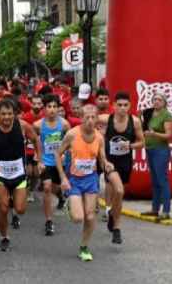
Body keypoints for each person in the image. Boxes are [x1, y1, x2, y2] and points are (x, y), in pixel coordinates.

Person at [56, 104, 114, 262]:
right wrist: (63, 178)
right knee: (78, 218)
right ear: (81, 118)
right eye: (86, 117)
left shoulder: (99, 137)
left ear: (97, 119)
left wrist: (107, 165)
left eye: (93, 117)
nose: (90, 120)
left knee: (90, 216)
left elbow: (102, 158)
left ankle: (84, 247)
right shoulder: (72, 134)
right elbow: (58, 154)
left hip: (91, 179)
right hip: (74, 180)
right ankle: (69, 204)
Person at [0, 99, 40, 251]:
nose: (6, 117)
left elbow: (36, 139)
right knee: (3, 208)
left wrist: (39, 158)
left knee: (20, 209)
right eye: (3, 114)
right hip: (1, 175)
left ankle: (13, 201)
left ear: (14, 113)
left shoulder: (22, 126)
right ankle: (4, 237)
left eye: (9, 114)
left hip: (19, 174)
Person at [98, 91, 144, 243]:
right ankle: (117, 229)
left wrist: (130, 145)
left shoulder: (135, 121)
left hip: (125, 162)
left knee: (119, 194)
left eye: (125, 105)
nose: (123, 108)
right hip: (110, 162)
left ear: (130, 106)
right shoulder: (106, 119)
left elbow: (141, 142)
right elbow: (87, 121)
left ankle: (112, 214)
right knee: (119, 190)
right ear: (114, 106)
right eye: (119, 105)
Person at [33, 94, 70, 236]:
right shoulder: (37, 125)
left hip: (60, 163)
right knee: (47, 187)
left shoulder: (65, 124)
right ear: (44, 109)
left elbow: (70, 142)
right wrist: (39, 161)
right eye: (49, 106)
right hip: (46, 162)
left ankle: (60, 195)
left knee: (55, 188)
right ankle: (49, 221)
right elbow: (36, 143)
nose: (52, 109)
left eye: (55, 106)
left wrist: (68, 156)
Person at [142, 91, 172, 220]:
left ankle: (166, 211)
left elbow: (169, 135)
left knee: (162, 180)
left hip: (161, 150)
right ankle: (155, 209)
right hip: (150, 149)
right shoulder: (150, 113)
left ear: (164, 102)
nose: (156, 101)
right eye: (154, 99)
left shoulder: (166, 115)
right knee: (154, 181)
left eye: (159, 100)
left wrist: (154, 134)